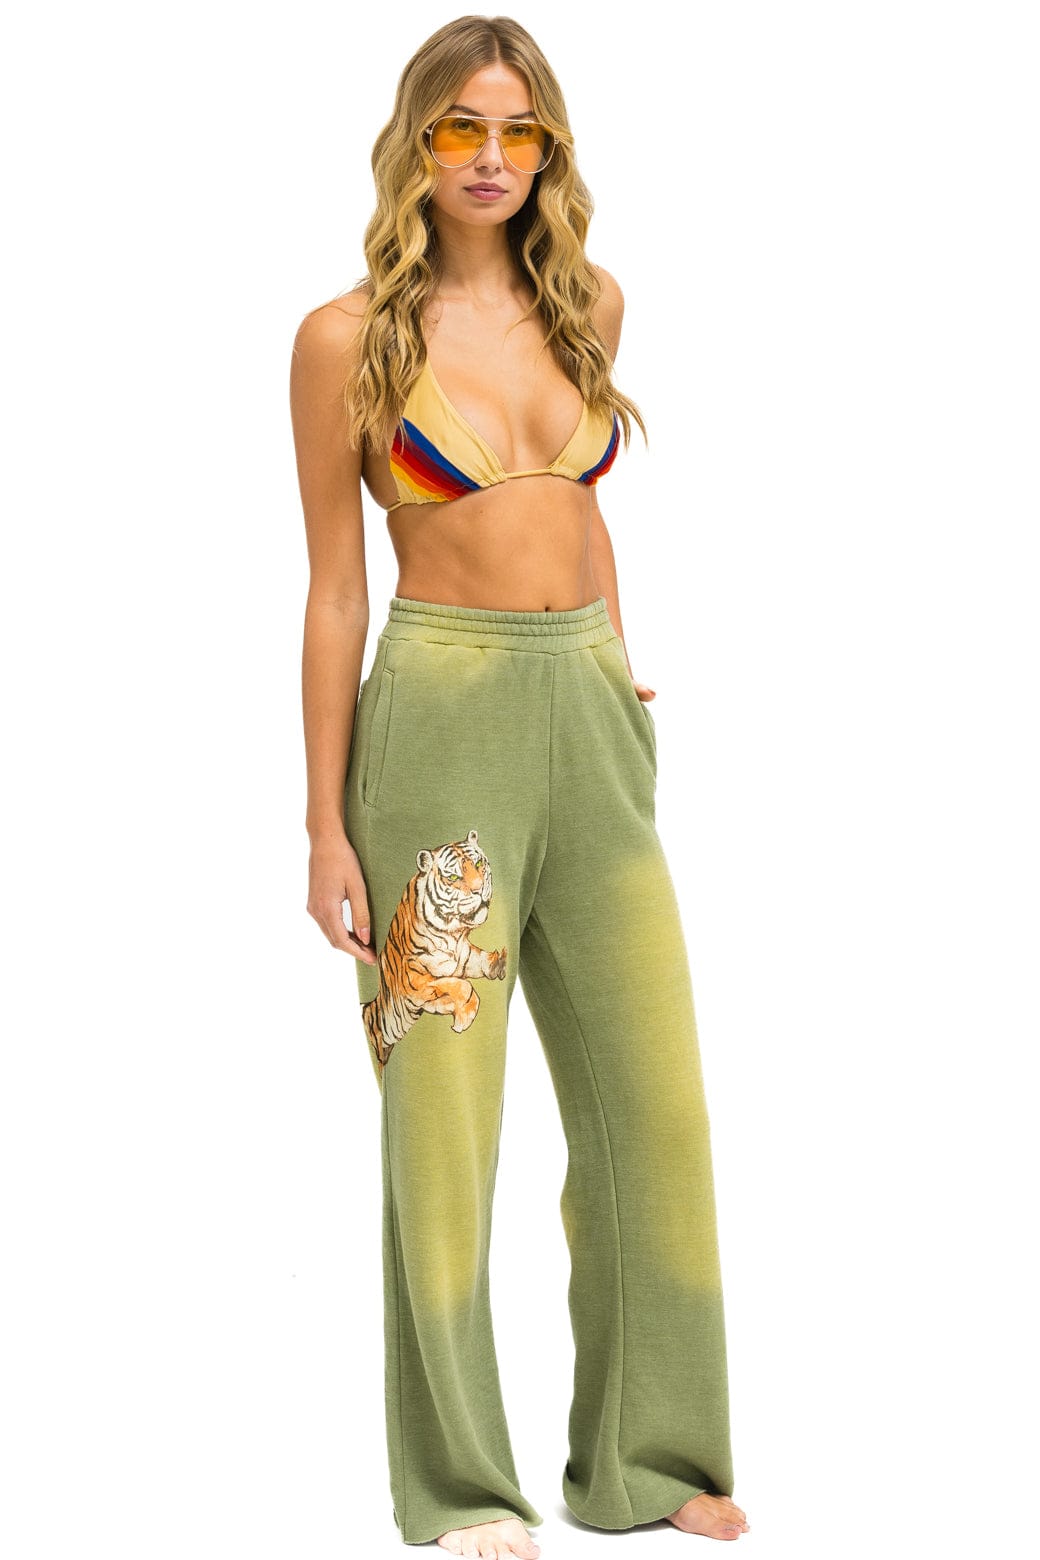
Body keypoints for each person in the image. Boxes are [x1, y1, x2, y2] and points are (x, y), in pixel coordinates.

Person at [289, 15, 750, 1557]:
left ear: (548, 148)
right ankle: (462, 1491)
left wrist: (615, 654)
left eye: (519, 131)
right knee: (443, 1128)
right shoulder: (346, 339)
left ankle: (647, 1464)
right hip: (440, 727)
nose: (491, 158)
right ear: (415, 143)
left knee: (653, 1106)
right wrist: (322, 822)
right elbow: (335, 590)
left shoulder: (588, 303)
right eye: (460, 129)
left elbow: (582, 508)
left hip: (589, 716)